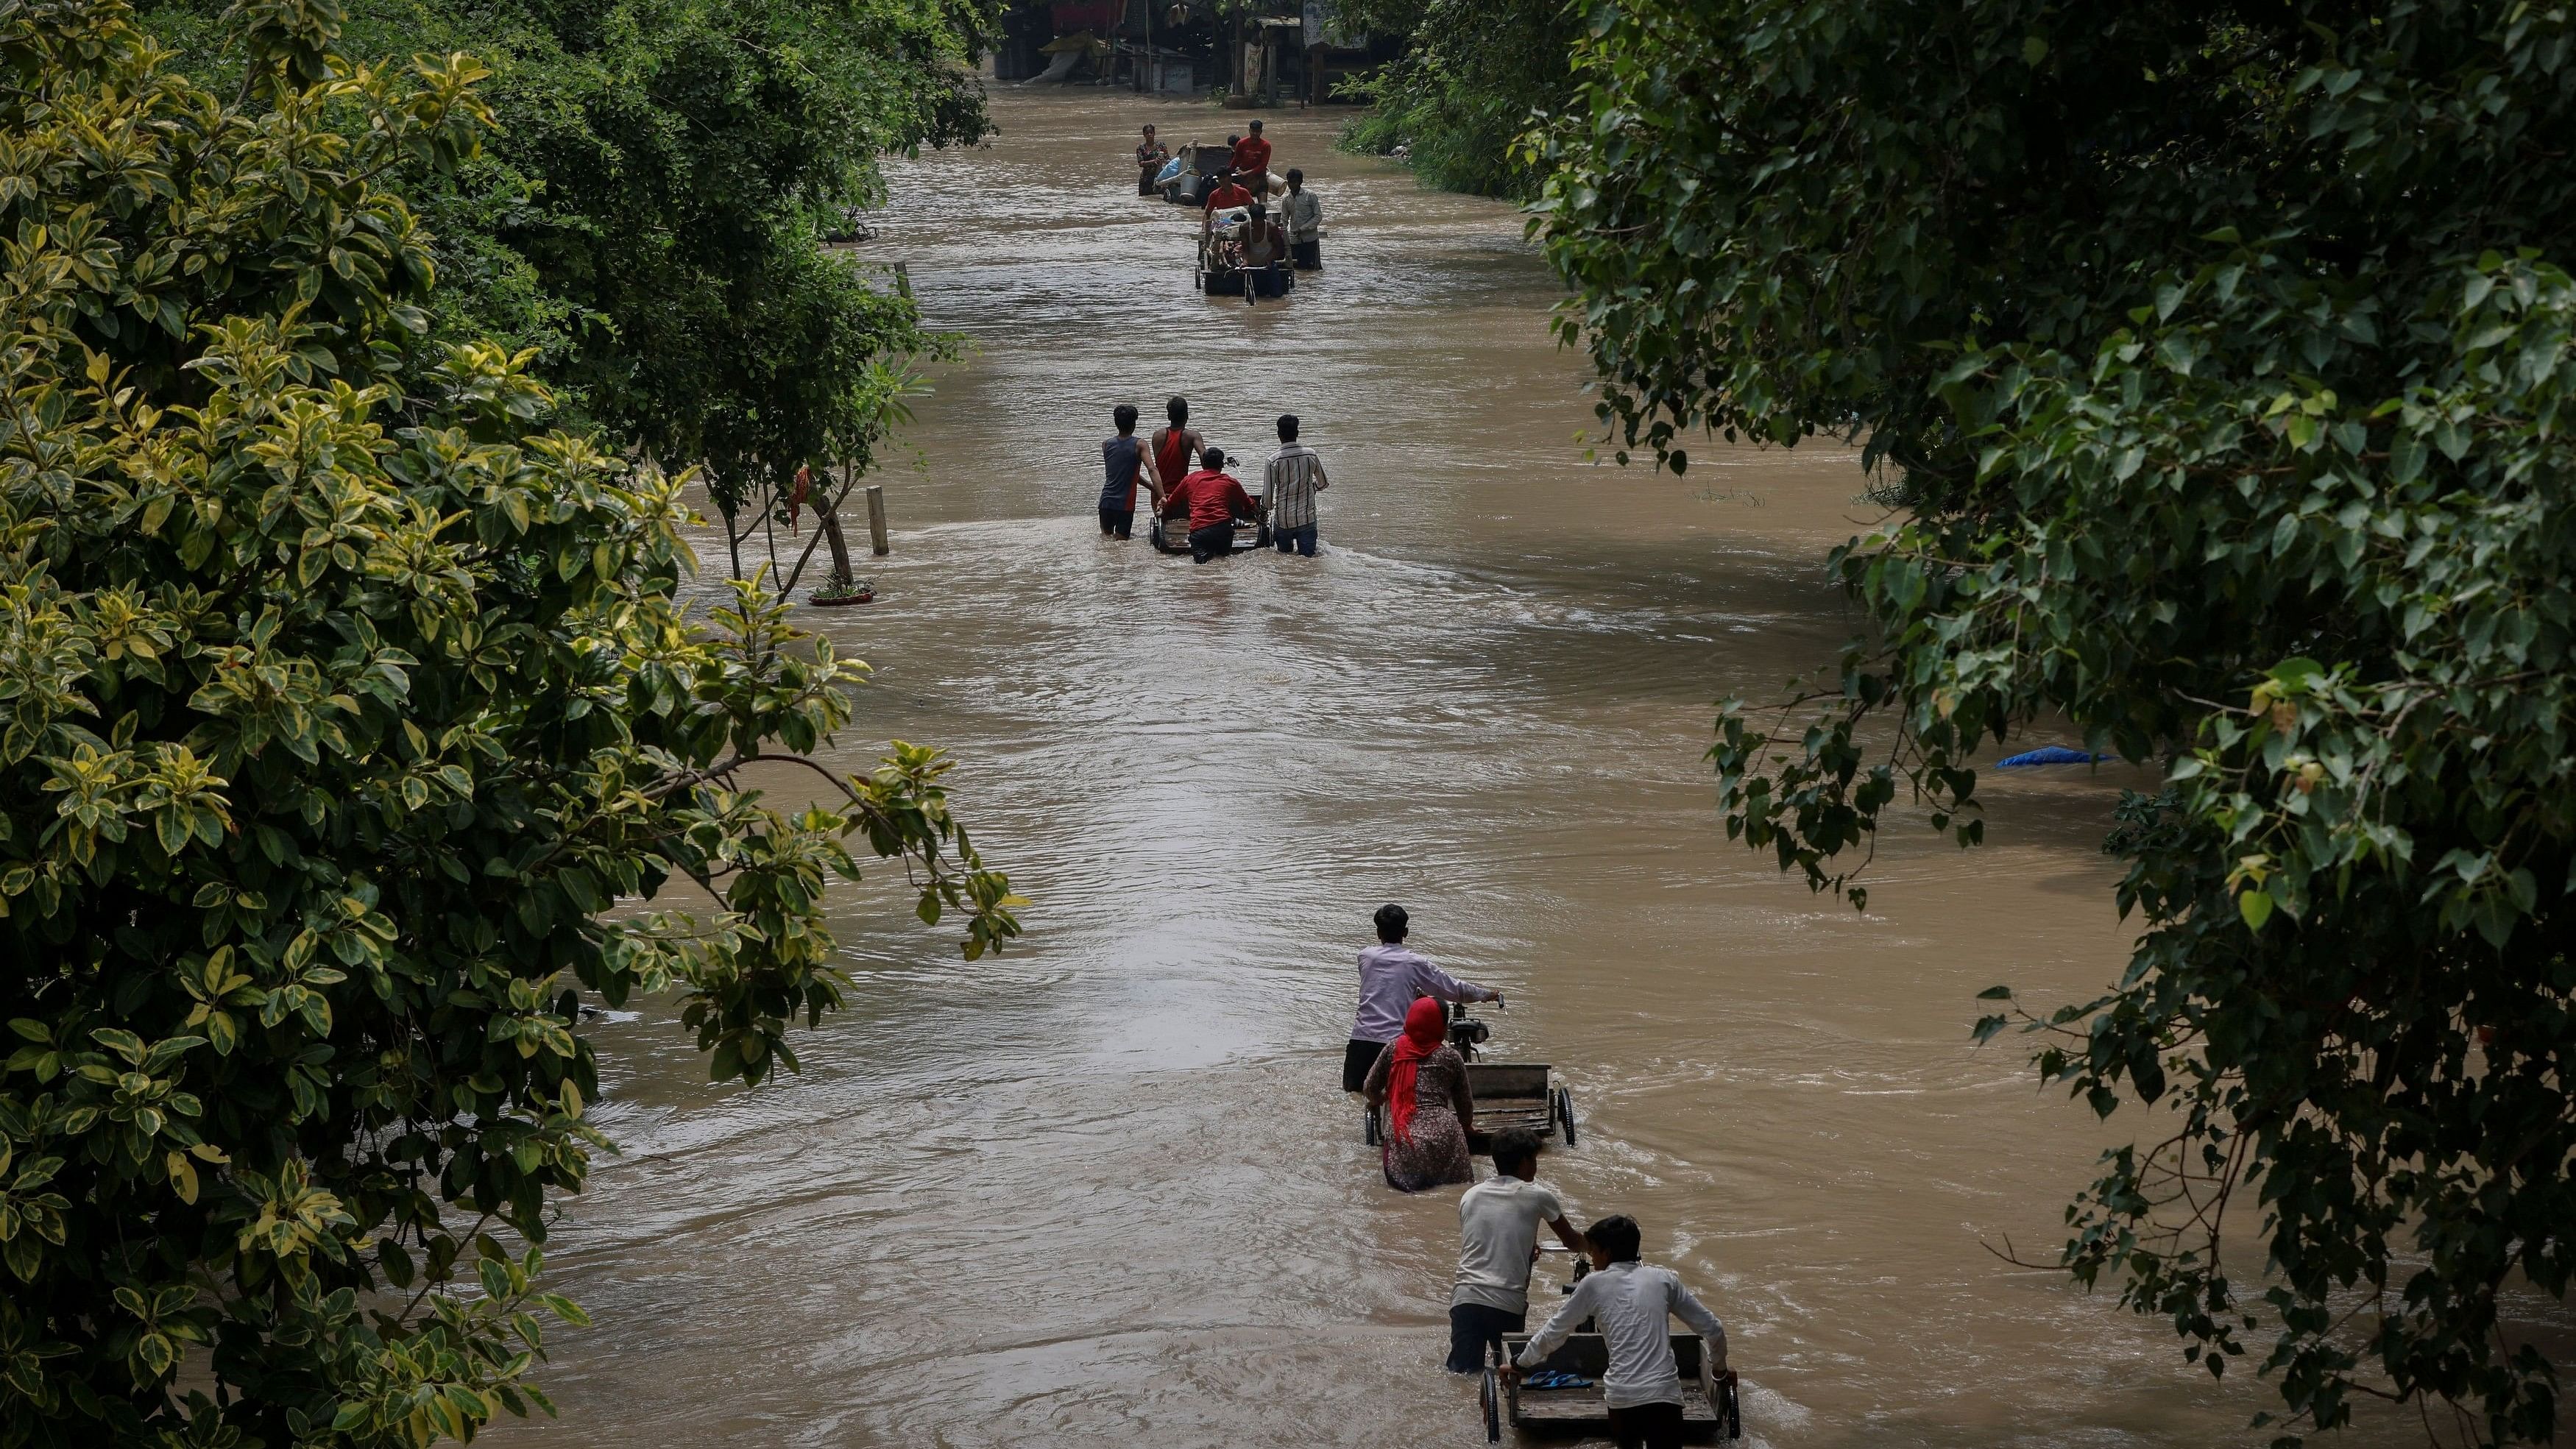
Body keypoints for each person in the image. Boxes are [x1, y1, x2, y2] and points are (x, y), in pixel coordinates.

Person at [1506, 1216, 1730, 1449]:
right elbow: (1713, 1328)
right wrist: (1719, 1370)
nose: (1592, 1259)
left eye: (1593, 1252)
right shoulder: (1663, 1279)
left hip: (1624, 1397)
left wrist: (1519, 1363)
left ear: (1607, 1253)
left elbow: (1554, 1332)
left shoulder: (1593, 1284)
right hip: (1665, 1395)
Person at [1448, 1128, 1585, 1373]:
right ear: (1524, 1162)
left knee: (1465, 1374)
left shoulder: (1471, 1196)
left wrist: (1527, 1247)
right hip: (1507, 1303)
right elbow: (1572, 1241)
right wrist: (1601, 1246)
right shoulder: (1538, 1196)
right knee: (1509, 1373)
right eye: (1533, 1160)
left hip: (1465, 1298)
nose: (1535, 1166)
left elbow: (1485, 1240)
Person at [1342, 903, 1502, 1094]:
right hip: (1395, 1045)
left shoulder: (1365, 957)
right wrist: (1486, 995)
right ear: (1406, 932)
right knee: (1401, 1098)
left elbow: (1384, 987)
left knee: (1354, 1095)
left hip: (1361, 1042)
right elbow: (1455, 990)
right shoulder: (1415, 963)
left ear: (1378, 933)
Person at [1361, 997, 1475, 1192]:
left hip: (1405, 1134)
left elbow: (1369, 1087)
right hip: (1446, 1133)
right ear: (1442, 1027)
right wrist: (1466, 1126)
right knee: (1455, 1192)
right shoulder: (1451, 1057)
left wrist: (1379, 1099)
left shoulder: (1393, 1049)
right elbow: (1465, 1107)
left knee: (1406, 1199)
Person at [1161, 446, 1259, 563]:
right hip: (1223, 530)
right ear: (1222, 465)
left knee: (1202, 568)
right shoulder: (1230, 482)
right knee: (1223, 563)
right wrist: (1261, 514)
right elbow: (1249, 504)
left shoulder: (1189, 480)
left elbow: (1171, 503)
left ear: (1203, 464)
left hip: (1200, 531)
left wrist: (1163, 513)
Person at [1263, 413, 1327, 556]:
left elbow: (1267, 497)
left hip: (1283, 521)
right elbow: (1323, 483)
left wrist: (1264, 511)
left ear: (1278, 434)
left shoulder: (1273, 460)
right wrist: (1314, 488)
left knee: (1284, 561)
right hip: (1307, 519)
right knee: (1309, 560)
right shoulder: (1311, 455)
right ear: (1297, 433)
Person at [1099, 403, 1159, 539]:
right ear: (1134, 424)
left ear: (1116, 423)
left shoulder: (1106, 444)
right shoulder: (1140, 444)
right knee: (1121, 544)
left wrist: (1152, 488)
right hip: (1124, 505)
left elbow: (1126, 474)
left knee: (1106, 540)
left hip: (1106, 502)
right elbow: (1152, 469)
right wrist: (1161, 495)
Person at [1150, 397, 1203, 503]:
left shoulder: (1157, 436)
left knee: (1160, 518)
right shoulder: (1192, 436)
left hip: (1159, 495)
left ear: (1169, 416)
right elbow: (1205, 459)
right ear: (1187, 416)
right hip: (1180, 495)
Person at [1282, 168, 1323, 269]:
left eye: (1295, 182)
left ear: (1301, 182)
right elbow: (1284, 220)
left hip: (1310, 239)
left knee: (1314, 269)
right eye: (1290, 182)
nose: (1292, 185)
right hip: (1294, 240)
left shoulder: (1310, 196)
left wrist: (1302, 229)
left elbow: (1318, 216)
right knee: (1297, 269)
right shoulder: (1286, 200)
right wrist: (1281, 234)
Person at [1201, 169, 1253, 235]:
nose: (1222, 180)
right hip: (1223, 224)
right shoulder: (1214, 195)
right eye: (1220, 178)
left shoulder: (1242, 191)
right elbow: (1207, 213)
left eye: (1224, 177)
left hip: (1240, 222)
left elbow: (1253, 207)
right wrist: (1203, 229)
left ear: (1230, 178)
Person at [1232, 118, 1273, 184]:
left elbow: (1263, 165)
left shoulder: (1266, 145)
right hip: (1243, 175)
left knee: (1262, 194)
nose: (1255, 133)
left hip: (1259, 176)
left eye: (1257, 131)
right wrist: (1228, 172)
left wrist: (1246, 173)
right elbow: (1236, 160)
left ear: (1261, 132)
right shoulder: (1241, 143)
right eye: (1253, 131)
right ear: (1249, 131)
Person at [1135, 124, 1169, 196]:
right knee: (1146, 201)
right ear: (1144, 135)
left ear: (1154, 133)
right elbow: (1141, 163)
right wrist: (1154, 161)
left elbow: (1168, 160)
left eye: (1151, 132)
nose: (1149, 135)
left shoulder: (1161, 145)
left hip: (1160, 177)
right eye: (1147, 133)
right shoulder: (1141, 148)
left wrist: (1163, 161)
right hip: (1146, 180)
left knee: (1159, 201)